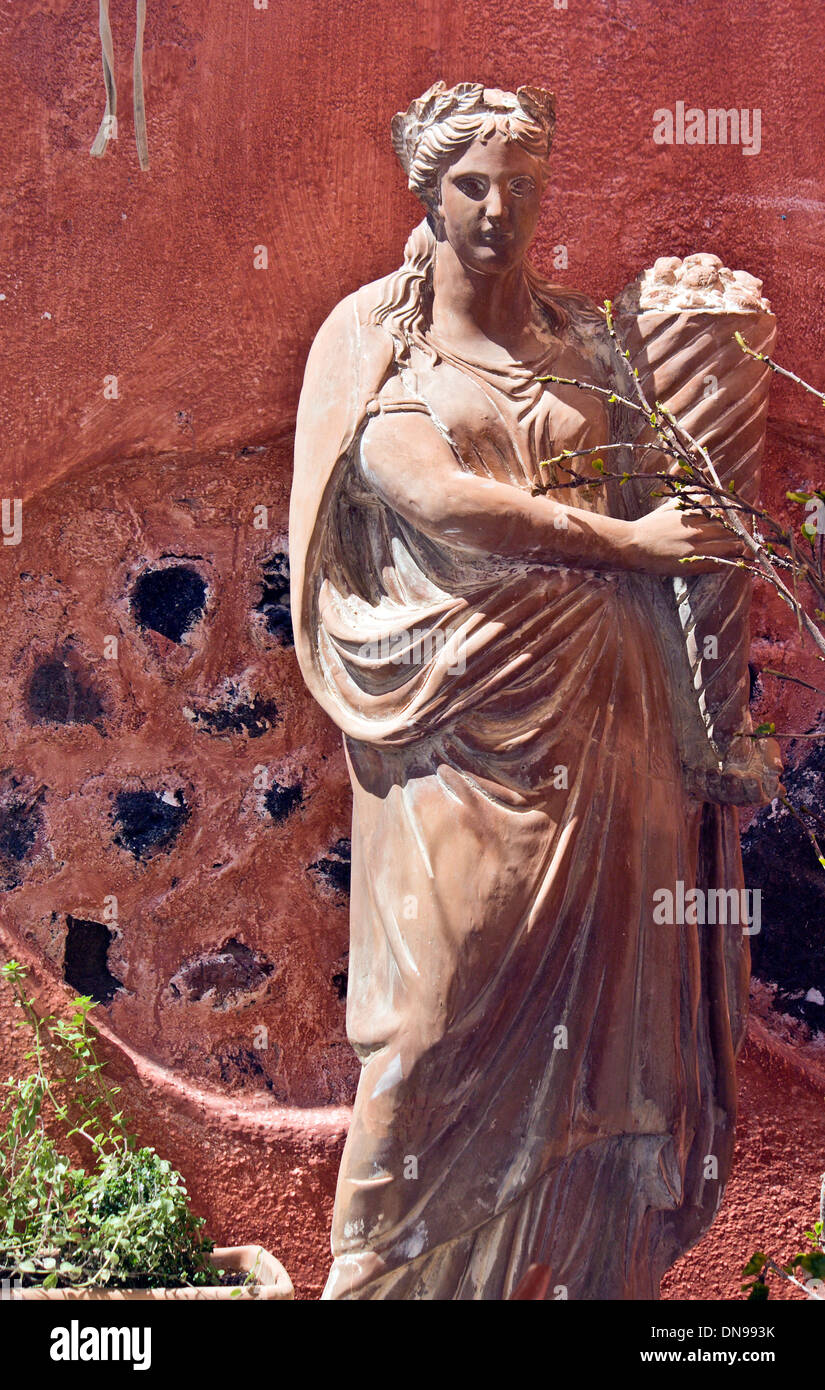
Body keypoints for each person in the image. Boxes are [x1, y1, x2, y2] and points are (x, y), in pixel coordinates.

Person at [289, 81, 767, 1299]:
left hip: (608, 721)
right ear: (426, 188)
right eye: (470, 185)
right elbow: (425, 488)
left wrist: (709, 693)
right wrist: (630, 545)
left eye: (521, 186)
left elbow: (675, 516)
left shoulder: (586, 345)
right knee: (425, 1017)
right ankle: (381, 1281)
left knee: (613, 1034)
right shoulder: (372, 338)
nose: (498, 210)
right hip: (452, 728)